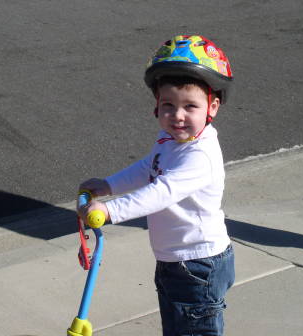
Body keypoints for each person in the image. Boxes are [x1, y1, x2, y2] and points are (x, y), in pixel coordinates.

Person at [78, 34, 235, 336]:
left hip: (198, 264)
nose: (177, 116)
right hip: (173, 260)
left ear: (212, 107)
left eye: (190, 106)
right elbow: (148, 169)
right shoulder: (170, 139)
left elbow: (161, 193)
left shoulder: (200, 155)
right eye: (168, 105)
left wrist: (111, 211)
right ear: (157, 104)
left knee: (193, 330)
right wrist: (108, 186)